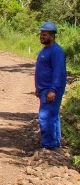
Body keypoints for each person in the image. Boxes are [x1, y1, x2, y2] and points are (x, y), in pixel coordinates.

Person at [34, 21, 67, 150]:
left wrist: (53, 90)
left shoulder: (56, 51)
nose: (42, 36)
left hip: (51, 90)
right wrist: (38, 88)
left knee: (45, 117)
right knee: (53, 117)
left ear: (52, 36)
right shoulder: (45, 50)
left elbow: (59, 73)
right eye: (41, 34)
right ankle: (55, 144)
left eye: (45, 34)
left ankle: (49, 146)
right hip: (44, 89)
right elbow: (42, 70)